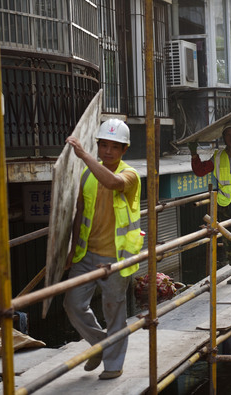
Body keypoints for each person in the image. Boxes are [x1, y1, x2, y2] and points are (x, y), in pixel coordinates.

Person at [63, 118, 143, 380]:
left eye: (115, 147)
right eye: (103, 145)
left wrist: (84, 155)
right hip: (86, 254)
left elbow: (112, 183)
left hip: (116, 256)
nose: (108, 151)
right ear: (98, 145)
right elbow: (79, 214)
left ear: (124, 150)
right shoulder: (86, 175)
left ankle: (113, 365)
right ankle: (99, 345)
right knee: (73, 304)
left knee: (114, 311)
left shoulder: (130, 174)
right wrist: (71, 250)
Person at [188, 124, 231, 288]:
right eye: (228, 135)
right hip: (224, 203)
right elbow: (200, 171)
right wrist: (193, 153)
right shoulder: (218, 156)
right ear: (223, 138)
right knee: (227, 240)